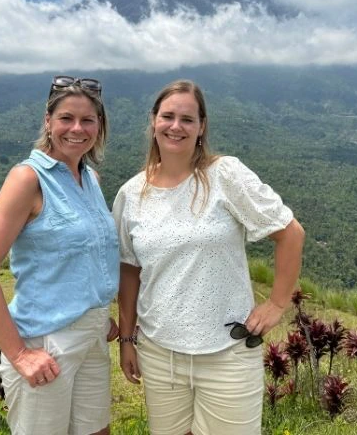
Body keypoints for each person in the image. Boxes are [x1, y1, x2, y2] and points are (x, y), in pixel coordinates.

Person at [113, 79, 305, 435]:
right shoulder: (131, 194)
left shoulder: (225, 176)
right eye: (167, 116)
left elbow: (290, 233)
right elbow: (129, 270)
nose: (176, 126)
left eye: (187, 119)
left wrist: (277, 304)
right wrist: (126, 339)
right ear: (153, 122)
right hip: (159, 351)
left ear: (201, 126)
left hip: (227, 353)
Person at [0, 75, 119, 435]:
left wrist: (99, 317)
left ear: (99, 126)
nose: (76, 128)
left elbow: (89, 256)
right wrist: (19, 355)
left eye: (87, 120)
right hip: (46, 342)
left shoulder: (89, 178)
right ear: (48, 122)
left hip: (93, 338)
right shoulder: (28, 179)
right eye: (66, 118)